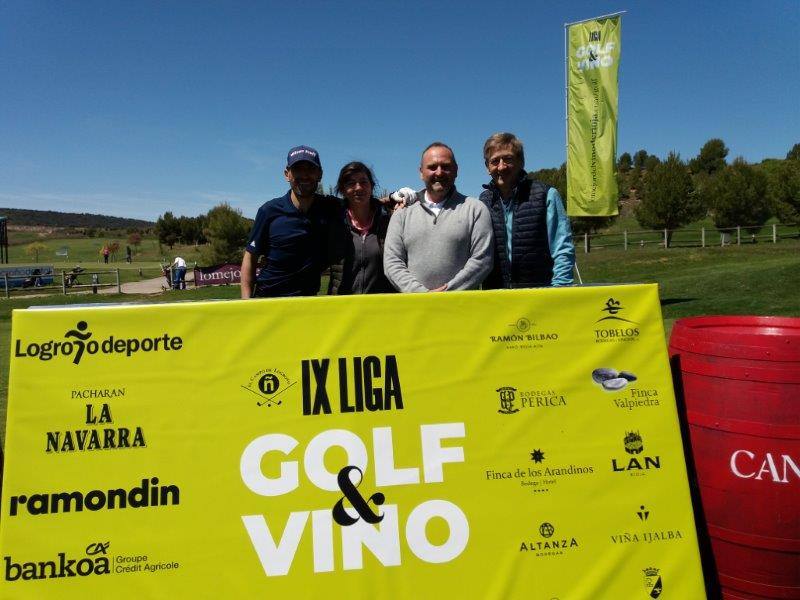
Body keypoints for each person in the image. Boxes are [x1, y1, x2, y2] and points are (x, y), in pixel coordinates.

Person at [383, 142, 493, 292]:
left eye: (446, 167)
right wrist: (422, 295)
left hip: (462, 308)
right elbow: (392, 263)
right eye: (432, 167)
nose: (439, 172)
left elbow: (482, 261)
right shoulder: (402, 213)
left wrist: (447, 293)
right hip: (415, 310)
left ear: (456, 170)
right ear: (421, 172)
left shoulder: (476, 209)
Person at [240, 145, 339, 298]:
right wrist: (245, 302)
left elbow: (361, 203)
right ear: (287, 174)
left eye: (310, 169)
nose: (304, 175)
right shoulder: (269, 211)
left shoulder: (330, 207)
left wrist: (389, 199)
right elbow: (250, 257)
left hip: (308, 303)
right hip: (268, 300)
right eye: (298, 169)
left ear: (320, 174)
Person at [479, 132, 575, 288]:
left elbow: (562, 250)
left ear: (521, 161)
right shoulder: (483, 202)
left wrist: (559, 291)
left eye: (508, 159)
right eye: (495, 161)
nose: (501, 166)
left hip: (539, 297)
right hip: (497, 299)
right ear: (487, 167)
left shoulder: (546, 195)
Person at [328, 162, 394, 294]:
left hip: (380, 307)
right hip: (342, 307)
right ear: (343, 190)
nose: (358, 188)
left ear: (371, 186)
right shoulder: (334, 222)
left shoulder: (389, 221)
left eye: (364, 182)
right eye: (351, 183)